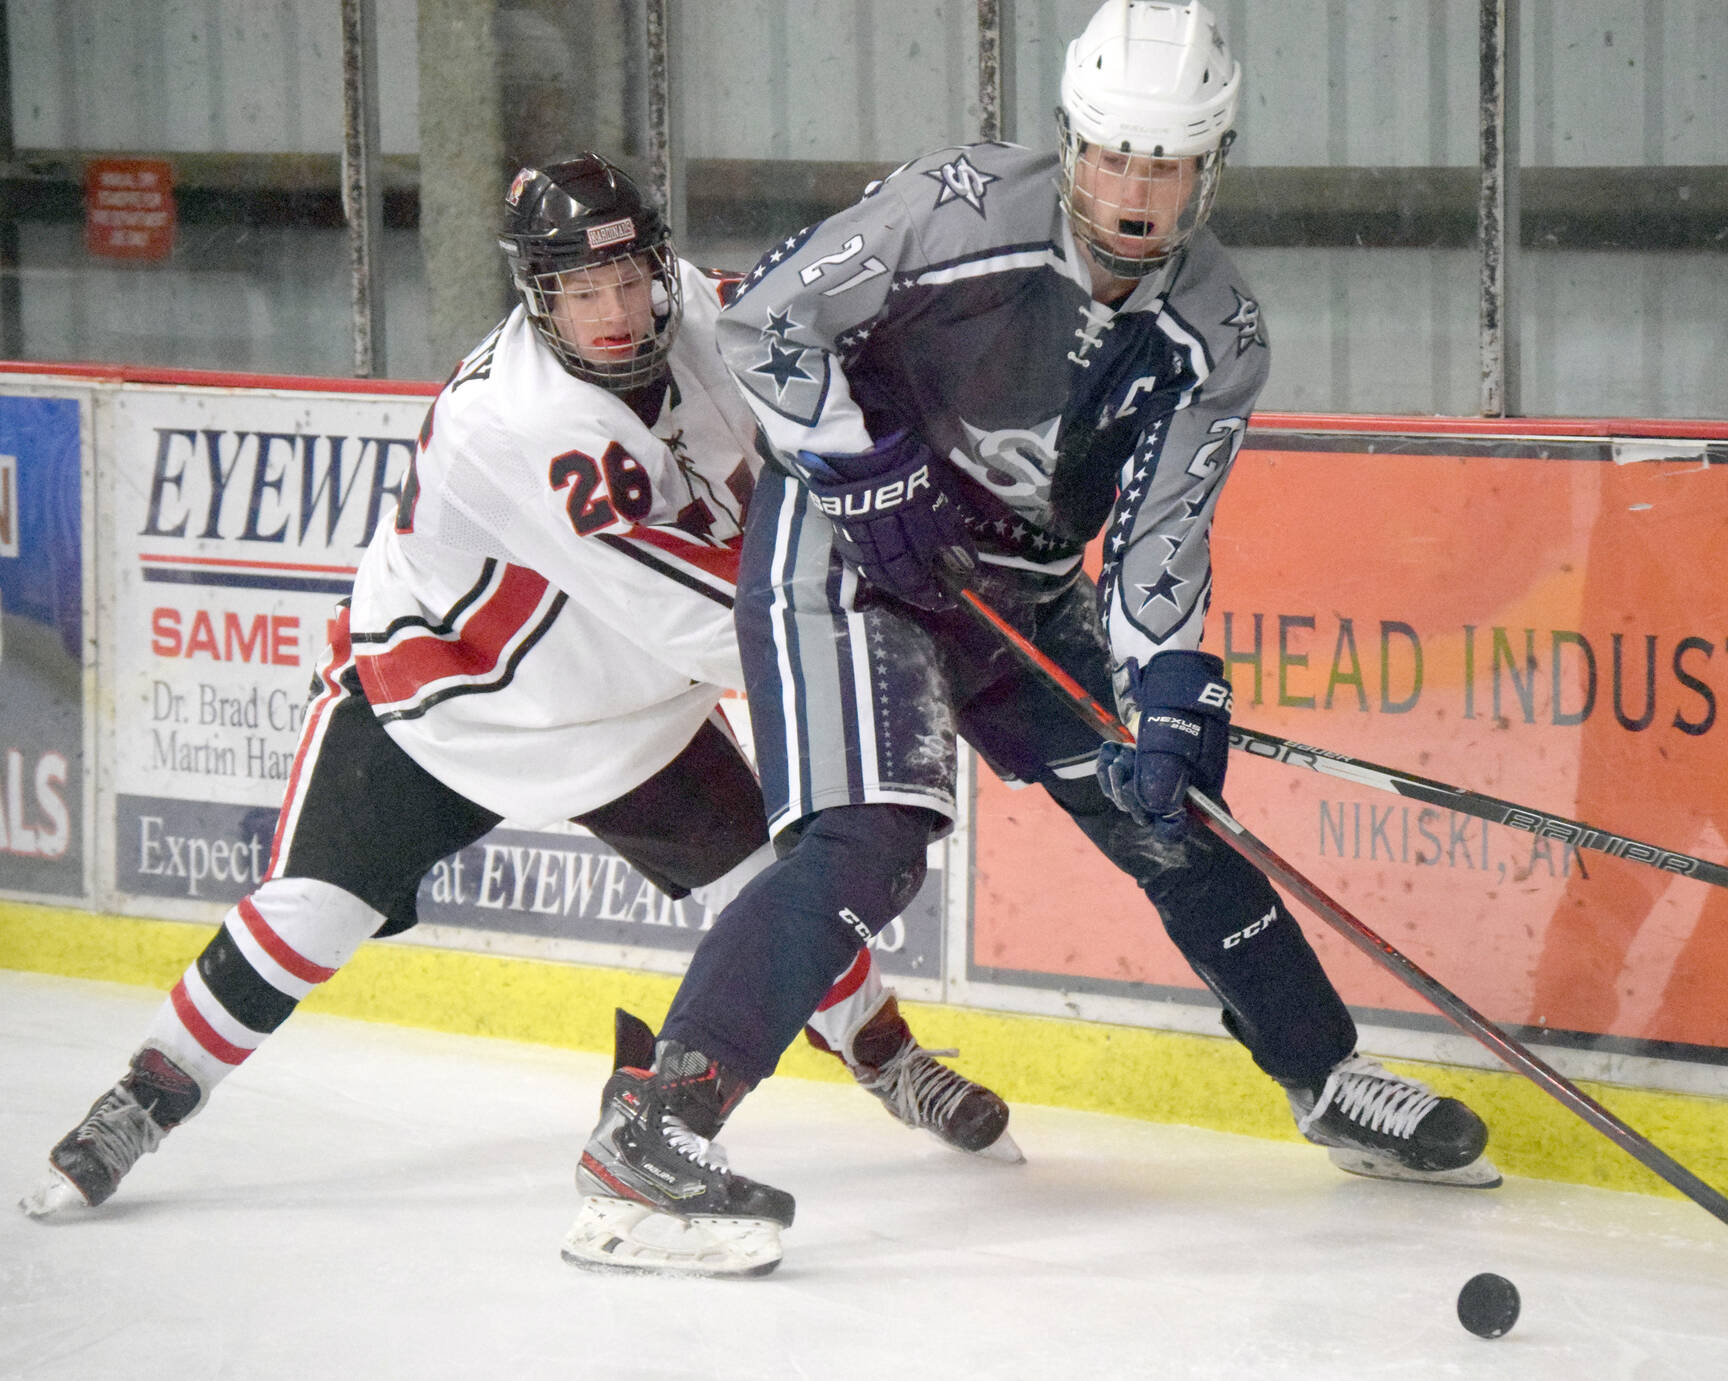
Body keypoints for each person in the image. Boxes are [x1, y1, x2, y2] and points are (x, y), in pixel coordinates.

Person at [599, 0, 1500, 1265]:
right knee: (871, 835)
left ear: (1210, 167)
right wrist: (860, 468)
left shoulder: (1217, 332)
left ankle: (1325, 1078)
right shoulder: (951, 206)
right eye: (1116, 155)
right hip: (852, 550)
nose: (1136, 191)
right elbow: (766, 318)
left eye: (1169, 163)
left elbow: (1157, 536)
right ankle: (656, 1127)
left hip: (1017, 588)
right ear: (1071, 141)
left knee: (1175, 810)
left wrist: (1172, 686)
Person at [19, 155, 1016, 1274]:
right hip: (449, 706)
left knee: (773, 902)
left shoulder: (699, 306)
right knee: (307, 916)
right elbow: (710, 621)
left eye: (629, 279)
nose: (612, 311)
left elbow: (812, 392)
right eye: (579, 293)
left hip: (624, 715)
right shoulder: (512, 422)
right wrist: (915, 642)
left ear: (654, 262)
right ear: (535, 294)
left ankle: (890, 1060)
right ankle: (145, 1095)